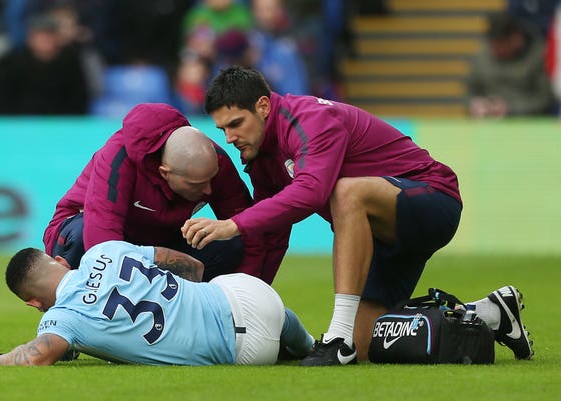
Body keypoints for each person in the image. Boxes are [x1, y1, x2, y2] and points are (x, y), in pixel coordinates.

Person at [181, 66, 534, 365]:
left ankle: (338, 339)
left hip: (432, 198)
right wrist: (246, 303)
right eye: (222, 129)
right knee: (372, 345)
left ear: (262, 106)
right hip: (379, 237)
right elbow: (271, 233)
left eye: (235, 124)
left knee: (346, 190)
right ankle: (488, 314)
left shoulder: (311, 118)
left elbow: (311, 192)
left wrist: (232, 224)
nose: (229, 137)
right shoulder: (261, 156)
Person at [0, 240, 314, 366]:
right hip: (250, 294)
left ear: (33, 303)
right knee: (254, 304)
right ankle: (312, 346)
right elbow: (191, 265)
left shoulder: (61, 319)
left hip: (244, 352)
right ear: (60, 261)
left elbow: (35, 358)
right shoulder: (103, 251)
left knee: (253, 333)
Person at [44, 103, 270, 282]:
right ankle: (81, 318)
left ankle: (196, 316)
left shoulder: (212, 161)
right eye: (197, 184)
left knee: (230, 242)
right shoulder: (116, 159)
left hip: (159, 241)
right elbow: (102, 245)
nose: (208, 190)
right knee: (86, 240)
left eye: (211, 180)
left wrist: (249, 295)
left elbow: (247, 232)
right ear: (165, 172)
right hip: (89, 235)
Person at [467, 12, 555, 118]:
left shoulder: (541, 56)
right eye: (493, 44)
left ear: (516, 38)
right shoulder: (481, 57)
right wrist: (475, 104)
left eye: (501, 44)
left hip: (528, 124)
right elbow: (470, 90)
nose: (497, 49)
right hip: (487, 125)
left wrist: (509, 109)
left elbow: (545, 99)